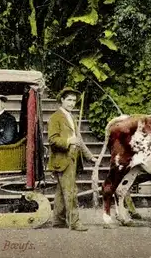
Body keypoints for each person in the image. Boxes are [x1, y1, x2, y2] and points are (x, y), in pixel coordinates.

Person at [47, 87, 97, 231]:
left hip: (73, 159)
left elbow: (79, 140)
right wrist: (69, 141)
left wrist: (90, 156)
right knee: (70, 191)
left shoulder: (71, 117)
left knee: (62, 192)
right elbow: (52, 139)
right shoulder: (55, 117)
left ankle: (58, 221)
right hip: (62, 160)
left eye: (74, 100)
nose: (72, 103)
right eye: (69, 100)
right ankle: (74, 222)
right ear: (62, 100)